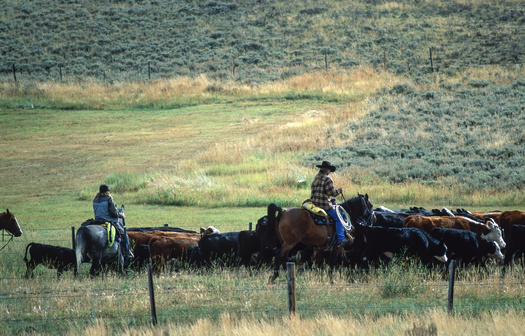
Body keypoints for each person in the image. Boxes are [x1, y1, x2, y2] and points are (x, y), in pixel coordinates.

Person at [310, 161, 350, 247]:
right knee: (339, 218)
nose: (329, 172)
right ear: (327, 170)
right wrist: (339, 191)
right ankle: (341, 239)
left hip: (314, 205)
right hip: (324, 206)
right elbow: (332, 193)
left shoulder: (316, 178)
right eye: (329, 170)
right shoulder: (327, 179)